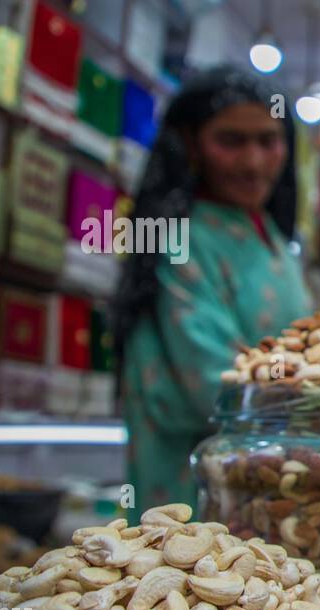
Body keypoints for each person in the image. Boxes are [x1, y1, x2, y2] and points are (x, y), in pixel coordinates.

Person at [113, 67, 310, 517]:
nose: (253, 162)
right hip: (197, 492)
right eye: (231, 141)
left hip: (264, 480)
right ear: (189, 143)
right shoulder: (175, 236)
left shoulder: (273, 239)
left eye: (268, 140)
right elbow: (214, 382)